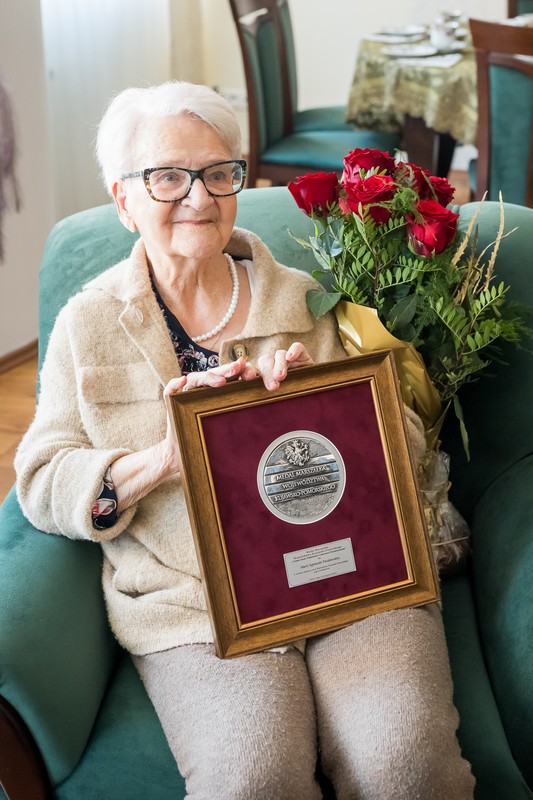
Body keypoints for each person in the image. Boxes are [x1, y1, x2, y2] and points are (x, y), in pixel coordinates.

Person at [15, 81, 475, 800]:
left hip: (350, 576)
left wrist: (324, 408)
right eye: (168, 177)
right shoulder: (90, 324)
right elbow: (42, 478)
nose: (198, 196)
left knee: (406, 763)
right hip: (194, 604)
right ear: (123, 200)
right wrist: (162, 459)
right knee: (253, 778)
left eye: (217, 172)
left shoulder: (307, 299)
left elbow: (401, 448)